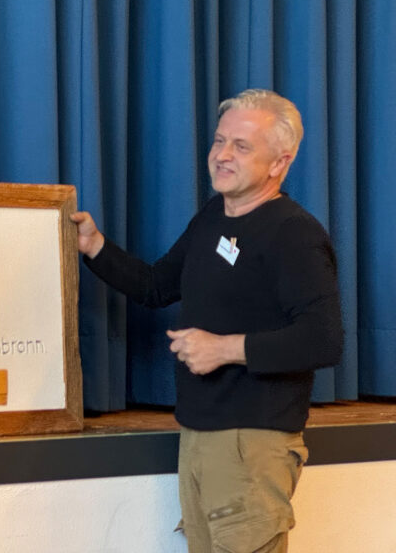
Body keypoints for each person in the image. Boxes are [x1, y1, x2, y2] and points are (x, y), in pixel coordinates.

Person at [71, 89, 342, 553]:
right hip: (199, 434)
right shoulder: (214, 217)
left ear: (279, 163)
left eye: (241, 146)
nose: (222, 154)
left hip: (252, 444)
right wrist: (95, 246)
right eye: (219, 141)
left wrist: (224, 348)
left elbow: (323, 339)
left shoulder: (294, 233)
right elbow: (156, 285)